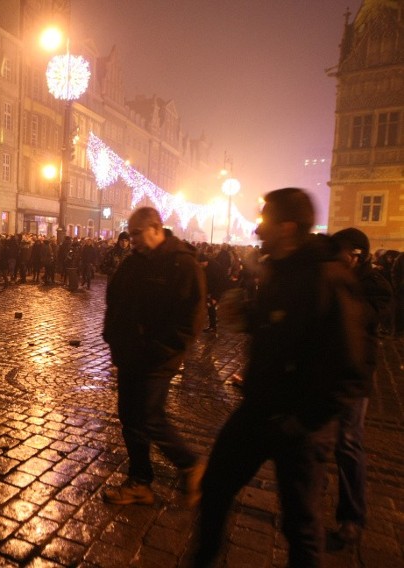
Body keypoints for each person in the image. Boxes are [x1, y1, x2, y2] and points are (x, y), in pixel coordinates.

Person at [194, 188, 369, 567]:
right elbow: (281, 328)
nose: (257, 232)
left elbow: (350, 370)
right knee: (215, 486)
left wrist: (302, 422)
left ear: (287, 227)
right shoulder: (279, 268)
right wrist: (250, 319)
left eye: (264, 222)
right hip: (259, 408)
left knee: (301, 526)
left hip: (301, 426)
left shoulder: (329, 277)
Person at [102, 206, 207, 507]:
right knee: (130, 419)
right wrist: (113, 336)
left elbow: (191, 318)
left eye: (136, 233)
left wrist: (163, 350)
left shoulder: (182, 265)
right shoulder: (133, 263)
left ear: (156, 228)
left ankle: (189, 463)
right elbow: (115, 298)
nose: (131, 239)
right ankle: (140, 482)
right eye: (130, 233)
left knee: (150, 417)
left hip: (158, 359)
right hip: (129, 355)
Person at [326, 228, 392, 550]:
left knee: (348, 443)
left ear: (358, 255)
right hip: (324, 372)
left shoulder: (373, 284)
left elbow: (366, 318)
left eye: (344, 254)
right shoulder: (332, 276)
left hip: (355, 375)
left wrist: (341, 292)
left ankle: (352, 516)